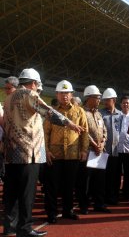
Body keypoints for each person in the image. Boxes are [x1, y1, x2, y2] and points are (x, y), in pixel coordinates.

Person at [2, 68, 83, 237]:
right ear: (33, 83)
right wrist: (70, 124)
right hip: (28, 152)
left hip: (11, 153)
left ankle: (10, 226)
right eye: (37, 84)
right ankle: (24, 228)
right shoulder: (29, 95)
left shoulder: (8, 98)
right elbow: (49, 113)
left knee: (11, 193)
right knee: (26, 193)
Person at [43, 80, 89, 223]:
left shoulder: (79, 111)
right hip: (54, 155)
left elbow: (85, 132)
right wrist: (46, 150)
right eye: (61, 93)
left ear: (71, 94)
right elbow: (45, 133)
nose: (64, 96)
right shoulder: (51, 112)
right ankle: (51, 213)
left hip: (72, 155)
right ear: (56, 94)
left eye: (67, 93)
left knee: (69, 185)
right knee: (52, 186)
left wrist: (84, 150)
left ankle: (67, 211)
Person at [81, 85, 110, 213]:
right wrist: (94, 144)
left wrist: (102, 143)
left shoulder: (98, 114)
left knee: (100, 180)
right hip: (88, 152)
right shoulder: (82, 112)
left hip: (99, 152)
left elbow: (104, 130)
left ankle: (99, 204)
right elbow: (83, 131)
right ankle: (84, 206)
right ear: (88, 98)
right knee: (86, 181)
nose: (99, 100)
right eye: (97, 98)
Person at [1, 76, 19, 235]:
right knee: (10, 190)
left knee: (13, 190)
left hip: (18, 152)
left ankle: (11, 224)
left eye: (8, 88)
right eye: (5, 89)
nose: (6, 91)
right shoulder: (6, 104)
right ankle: (10, 225)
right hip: (10, 152)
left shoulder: (18, 104)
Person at [99, 88, 122, 205]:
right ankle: (104, 198)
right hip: (104, 151)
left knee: (115, 176)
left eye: (107, 100)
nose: (105, 102)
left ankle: (114, 197)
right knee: (104, 177)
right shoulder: (100, 114)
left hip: (116, 151)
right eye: (104, 100)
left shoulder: (121, 115)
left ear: (113, 100)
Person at [118, 95, 129, 199]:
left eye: (127, 103)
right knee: (116, 173)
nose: (125, 104)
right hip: (117, 149)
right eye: (123, 103)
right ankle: (116, 193)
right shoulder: (116, 116)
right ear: (120, 104)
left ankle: (127, 193)